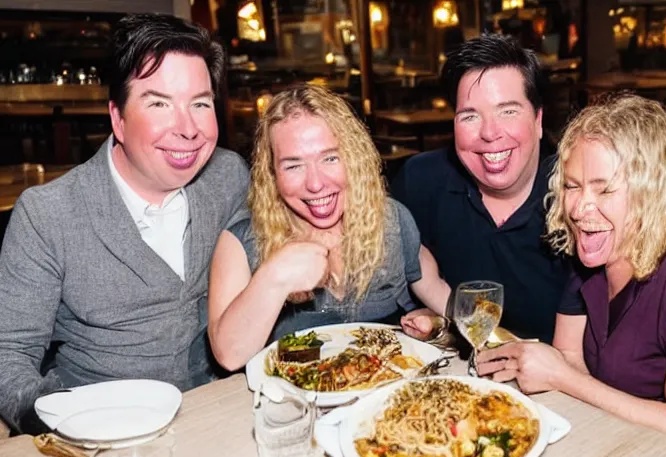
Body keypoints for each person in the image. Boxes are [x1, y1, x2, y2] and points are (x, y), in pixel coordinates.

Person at [478, 95, 666, 457]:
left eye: (604, 189)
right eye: (571, 185)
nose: (581, 207)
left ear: (653, 192)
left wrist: (563, 377)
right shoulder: (589, 261)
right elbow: (567, 357)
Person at [0, 14, 250, 434]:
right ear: (117, 118)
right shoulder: (48, 214)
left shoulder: (228, 176)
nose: (187, 129)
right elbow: (7, 352)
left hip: (224, 419)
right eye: (158, 103)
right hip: (105, 441)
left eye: (201, 104)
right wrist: (61, 422)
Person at [207, 84, 450, 371]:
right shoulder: (241, 240)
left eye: (330, 158)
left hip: (382, 400)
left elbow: (445, 305)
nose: (315, 183)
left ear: (353, 158)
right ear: (271, 173)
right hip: (293, 408)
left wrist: (436, 324)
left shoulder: (391, 222)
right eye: (293, 166)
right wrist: (274, 276)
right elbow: (229, 355)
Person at [391, 34, 584, 343]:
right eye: (470, 115)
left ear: (538, 120)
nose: (490, 133)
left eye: (508, 111)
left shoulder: (578, 195)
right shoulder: (422, 179)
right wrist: (443, 319)